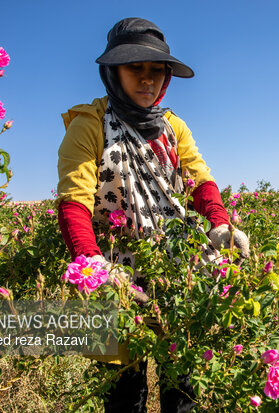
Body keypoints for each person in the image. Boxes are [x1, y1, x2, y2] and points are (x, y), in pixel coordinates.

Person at [55, 18, 249, 412]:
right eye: (135, 69)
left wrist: (219, 224)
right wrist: (91, 264)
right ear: (112, 73)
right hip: (117, 277)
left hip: (179, 272)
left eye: (156, 71)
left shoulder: (173, 127)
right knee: (126, 396)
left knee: (182, 392)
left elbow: (199, 181)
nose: (148, 81)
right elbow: (73, 201)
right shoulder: (89, 125)